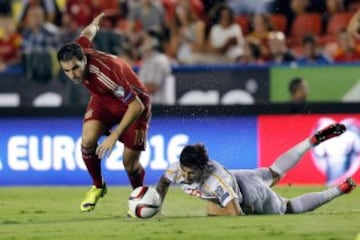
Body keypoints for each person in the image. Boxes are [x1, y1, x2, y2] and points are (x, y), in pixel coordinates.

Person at [57, 13, 151, 212]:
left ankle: (139, 199)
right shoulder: (78, 49)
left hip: (135, 102)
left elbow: (136, 106)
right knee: (88, 140)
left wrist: (114, 136)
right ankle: (98, 186)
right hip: (104, 98)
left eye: (75, 68)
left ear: (84, 59)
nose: (73, 74)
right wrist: (94, 24)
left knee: (130, 164)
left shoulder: (104, 74)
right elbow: (87, 34)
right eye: (67, 70)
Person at [156, 123, 356, 216]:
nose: (187, 176)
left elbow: (235, 213)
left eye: (192, 173)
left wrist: (213, 211)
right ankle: (310, 142)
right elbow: (164, 182)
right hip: (243, 175)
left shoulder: (216, 181)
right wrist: (156, 208)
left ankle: (338, 190)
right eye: (185, 171)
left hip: (249, 193)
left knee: (288, 207)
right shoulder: (178, 169)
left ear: (204, 169)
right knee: (274, 172)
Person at [138, 30, 174, 105]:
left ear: (154, 42)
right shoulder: (146, 59)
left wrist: (130, 87)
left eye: (145, 40)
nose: (142, 43)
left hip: (159, 107)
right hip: (147, 106)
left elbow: (153, 87)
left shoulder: (160, 60)